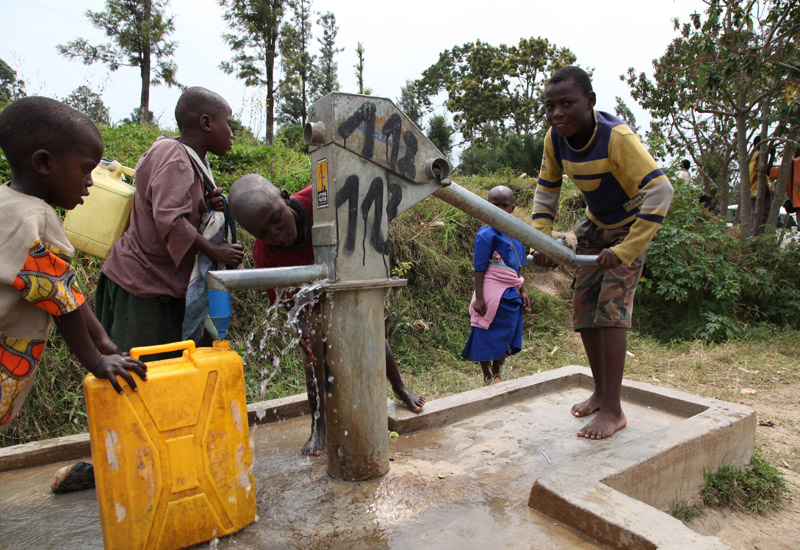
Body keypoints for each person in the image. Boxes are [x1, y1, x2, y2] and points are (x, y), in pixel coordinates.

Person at [228, 174, 425, 456]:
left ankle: (399, 387)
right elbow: (284, 303)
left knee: (372, 333)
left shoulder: (321, 199)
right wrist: (301, 332)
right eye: (262, 232)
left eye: (275, 219)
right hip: (309, 301)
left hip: (345, 279)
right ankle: (319, 426)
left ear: (285, 198)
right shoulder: (265, 255)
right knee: (312, 359)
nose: (275, 232)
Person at [530, 66, 674, 440]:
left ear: (590, 102)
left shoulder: (616, 138)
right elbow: (546, 191)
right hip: (596, 222)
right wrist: (543, 242)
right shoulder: (555, 139)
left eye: (567, 103)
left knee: (611, 310)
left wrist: (625, 249)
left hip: (630, 224)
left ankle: (614, 408)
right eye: (550, 106)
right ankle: (599, 391)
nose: (557, 113)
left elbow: (661, 191)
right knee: (585, 307)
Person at [0, 97, 147, 428]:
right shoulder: (37, 218)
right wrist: (96, 360)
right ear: (44, 163)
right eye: (85, 169)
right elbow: (60, 302)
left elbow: (64, 286)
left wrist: (103, 339)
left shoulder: (7, 202)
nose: (91, 182)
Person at [96, 87, 244, 355]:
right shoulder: (174, 156)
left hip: (166, 283)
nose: (232, 134)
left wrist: (206, 206)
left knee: (191, 362)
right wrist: (214, 250)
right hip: (143, 284)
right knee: (144, 372)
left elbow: (171, 207)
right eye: (229, 124)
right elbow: (169, 218)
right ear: (206, 123)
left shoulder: (188, 159)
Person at [461, 185, 531, 384]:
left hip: (511, 296)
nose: (500, 209)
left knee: (506, 335)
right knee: (484, 334)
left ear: (513, 208)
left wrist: (523, 291)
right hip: (491, 294)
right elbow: (480, 268)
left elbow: (519, 267)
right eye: (495, 205)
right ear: (486, 206)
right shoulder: (486, 234)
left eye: (505, 205)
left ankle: (497, 374)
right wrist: (480, 298)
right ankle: (487, 375)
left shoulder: (518, 234)